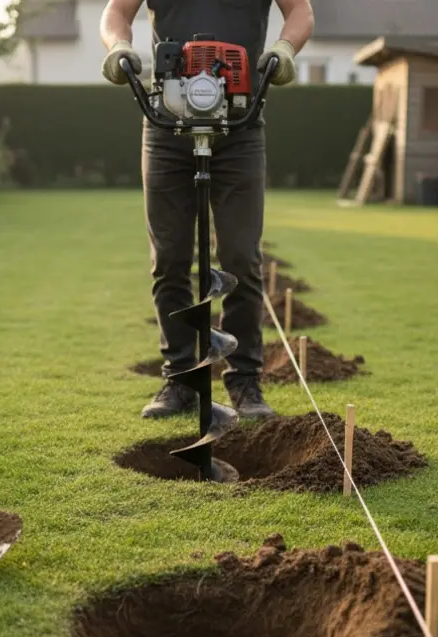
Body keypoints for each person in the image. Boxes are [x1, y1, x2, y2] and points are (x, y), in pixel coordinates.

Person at [99, 0, 315, 421]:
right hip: (167, 125)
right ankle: (180, 379)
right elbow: (115, 12)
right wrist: (118, 46)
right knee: (169, 259)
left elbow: (301, 12)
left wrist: (284, 48)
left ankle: (244, 382)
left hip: (240, 125)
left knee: (241, 258)